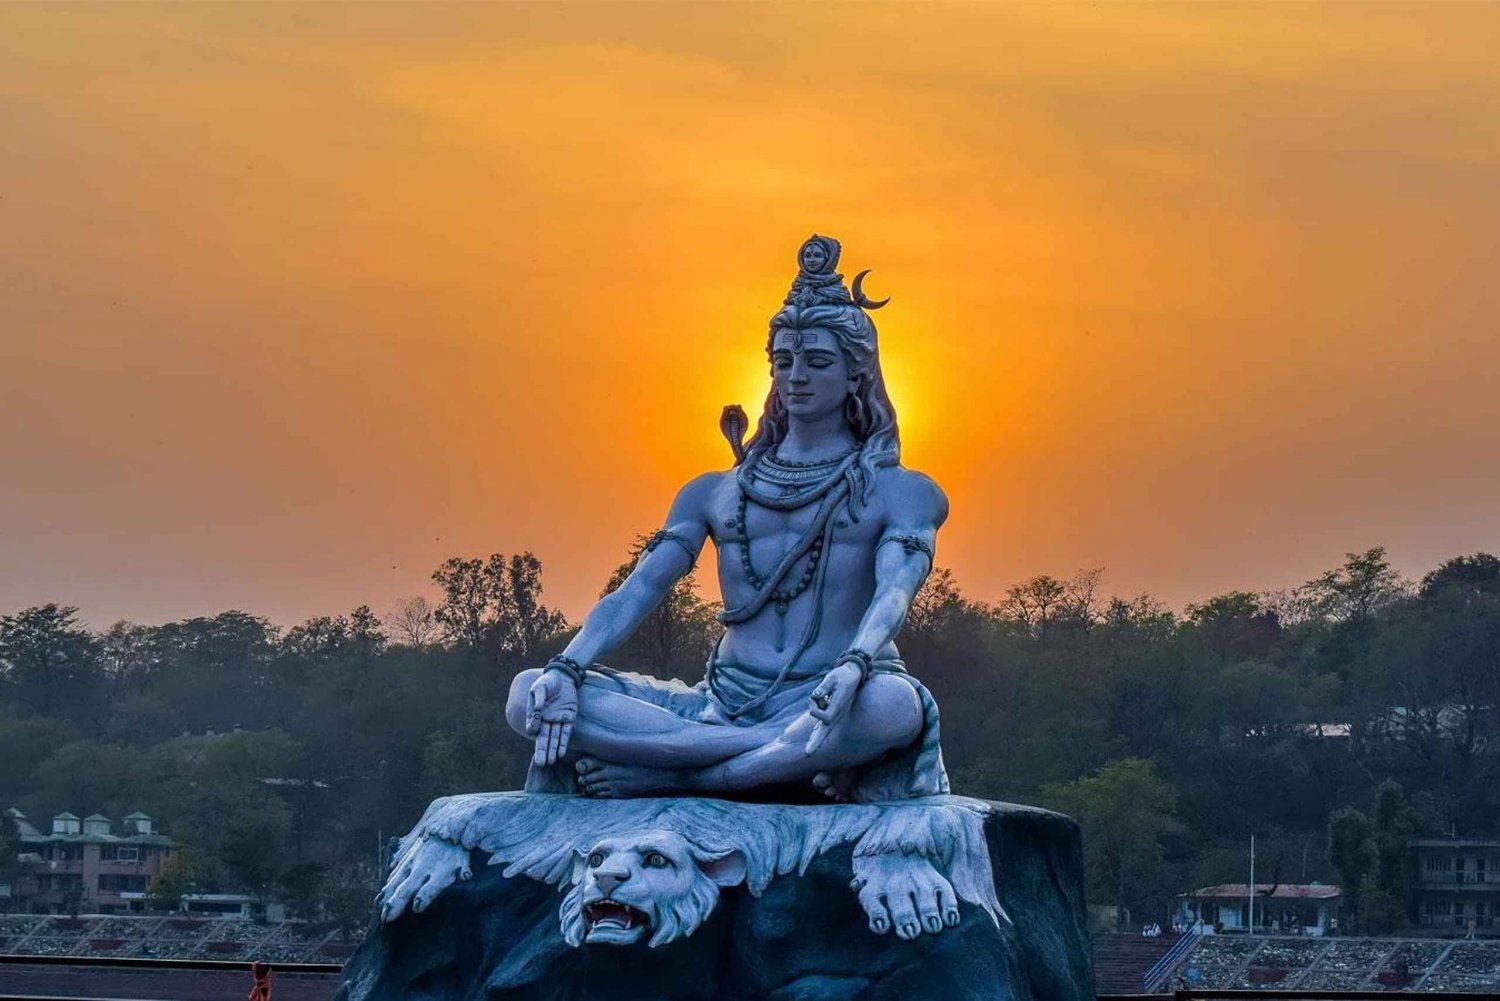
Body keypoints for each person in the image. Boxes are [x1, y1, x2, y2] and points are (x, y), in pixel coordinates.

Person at [504, 236, 949, 802]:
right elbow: (639, 590)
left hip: (833, 694)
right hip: (721, 703)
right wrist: (569, 669)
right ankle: (767, 763)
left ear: (855, 375)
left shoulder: (902, 492)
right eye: (783, 362)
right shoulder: (714, 491)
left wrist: (856, 665)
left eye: (817, 362)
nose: (796, 378)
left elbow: (896, 589)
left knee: (894, 707)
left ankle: (679, 776)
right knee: (530, 695)